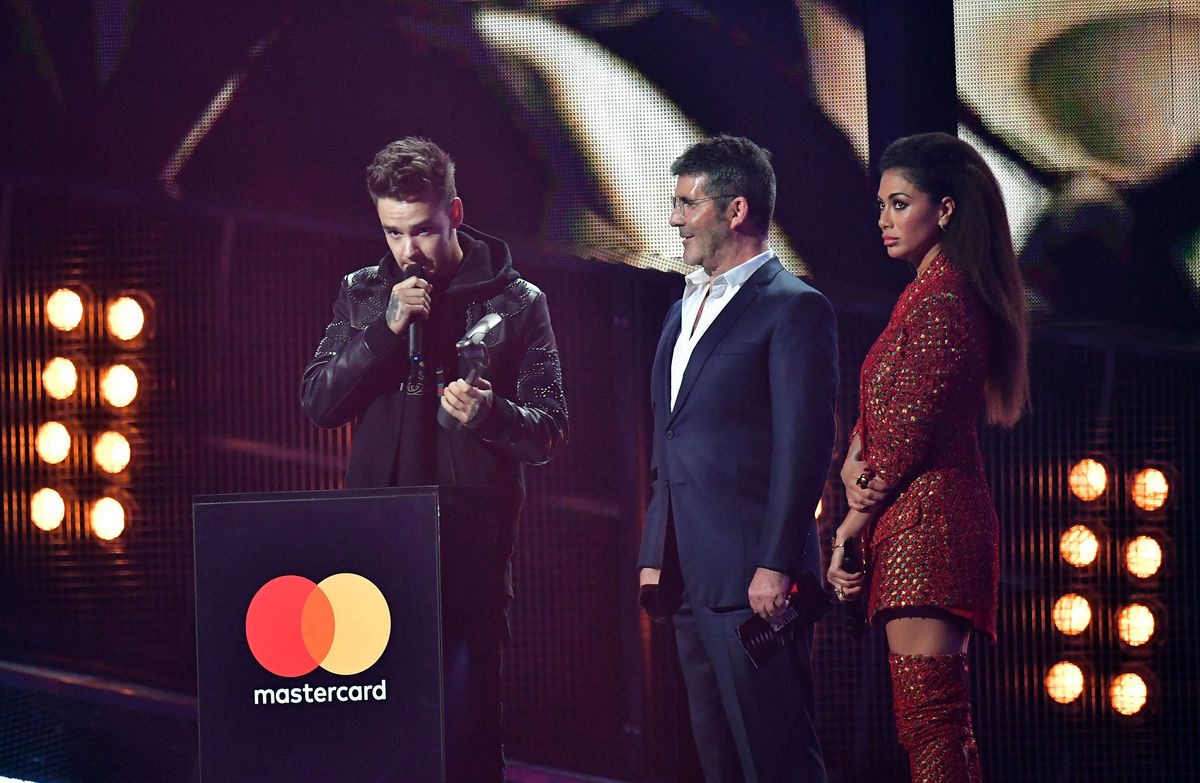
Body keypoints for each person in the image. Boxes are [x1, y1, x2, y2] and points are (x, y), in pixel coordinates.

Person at [300, 137, 568, 780]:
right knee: (375, 723)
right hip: (376, 537)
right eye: (393, 233)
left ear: (454, 211)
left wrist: (491, 414)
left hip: (470, 543)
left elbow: (550, 427)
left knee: (469, 728)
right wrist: (382, 332)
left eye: (421, 230)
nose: (407, 250)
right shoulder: (365, 292)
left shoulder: (517, 301)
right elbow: (319, 401)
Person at [826, 132, 1030, 783]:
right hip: (912, 524)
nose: (882, 220)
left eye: (898, 203)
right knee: (934, 726)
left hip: (931, 531)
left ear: (943, 209)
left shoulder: (946, 303)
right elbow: (874, 421)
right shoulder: (925, 296)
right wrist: (851, 474)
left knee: (933, 725)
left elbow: (903, 434)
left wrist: (850, 525)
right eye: (882, 205)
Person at [637, 135, 838, 783]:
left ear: (736, 211)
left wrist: (776, 563)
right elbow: (669, 441)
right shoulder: (680, 310)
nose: (673, 219)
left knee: (777, 759)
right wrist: (652, 551)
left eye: (686, 203)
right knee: (718, 758)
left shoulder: (795, 308)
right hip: (689, 577)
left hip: (757, 583)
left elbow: (805, 446)